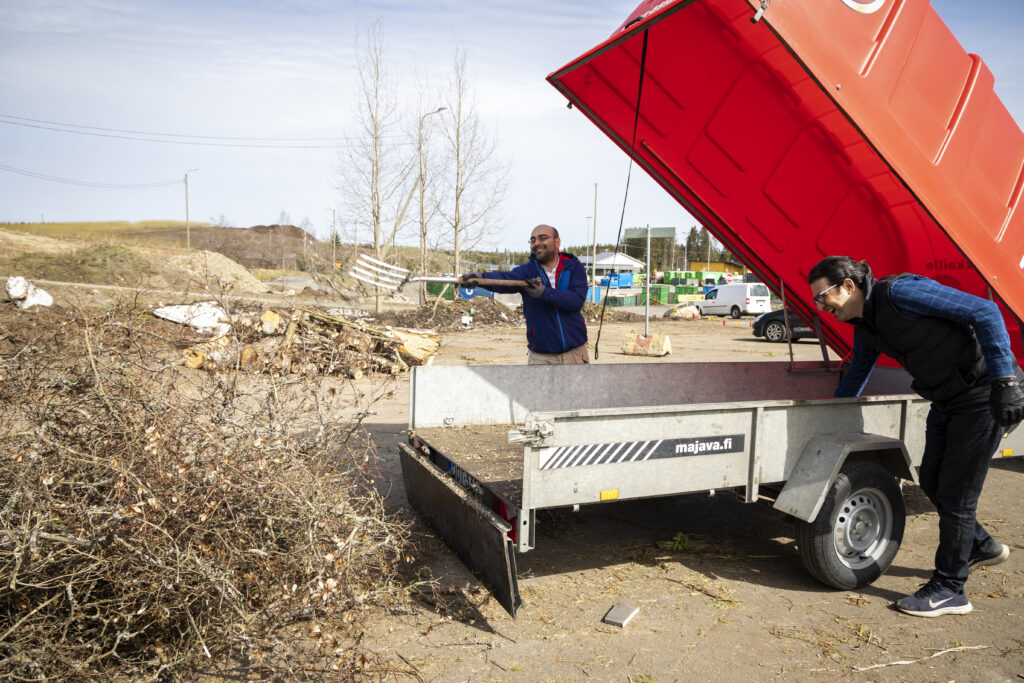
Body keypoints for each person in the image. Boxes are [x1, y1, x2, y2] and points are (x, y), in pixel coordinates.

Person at [808, 256, 1023, 617]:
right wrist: (825, 415)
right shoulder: (867, 326)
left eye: (822, 296)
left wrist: (1005, 382)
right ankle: (981, 547)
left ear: (848, 286)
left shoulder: (900, 292)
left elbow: (985, 312)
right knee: (934, 483)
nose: (820, 306)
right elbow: (858, 372)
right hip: (946, 400)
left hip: (983, 394)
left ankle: (951, 588)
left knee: (957, 494)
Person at [462, 224, 589, 364]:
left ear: (557, 242)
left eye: (542, 238)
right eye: (533, 240)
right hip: (541, 357)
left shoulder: (574, 267)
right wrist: (480, 278)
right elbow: (505, 279)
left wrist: (545, 293)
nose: (537, 243)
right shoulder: (527, 271)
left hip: (575, 353)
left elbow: (576, 301)